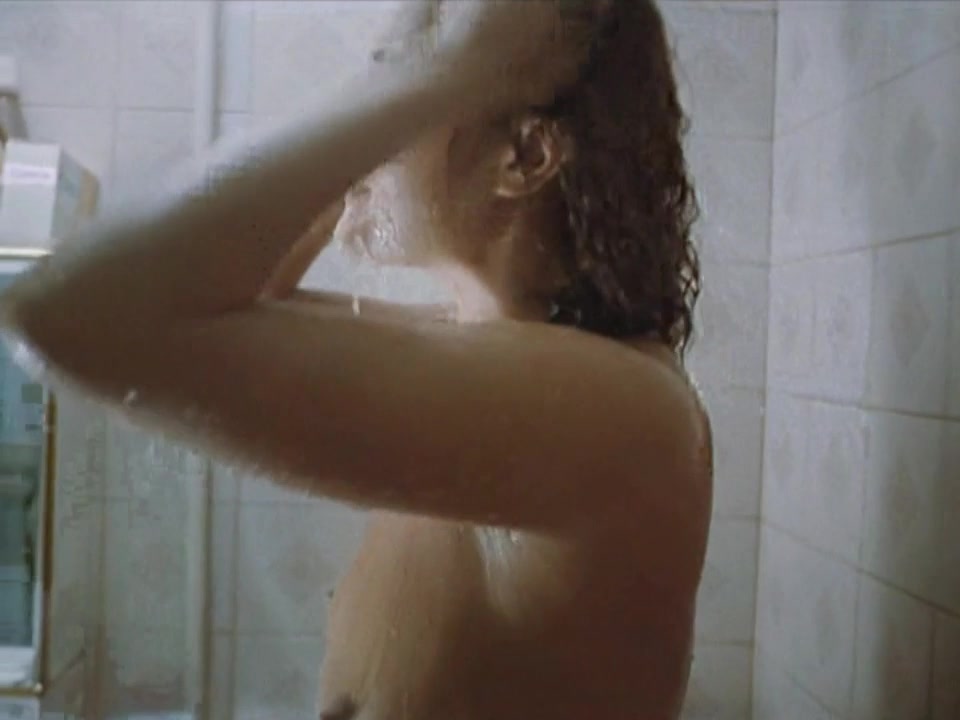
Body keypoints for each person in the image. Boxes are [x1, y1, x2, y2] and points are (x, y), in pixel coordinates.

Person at [0, 0, 712, 718]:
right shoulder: (485, 357)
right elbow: (245, 298)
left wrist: (439, 70)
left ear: (523, 157)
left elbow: (77, 314)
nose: (379, 118)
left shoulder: (618, 411)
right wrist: (417, 86)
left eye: (414, 83)